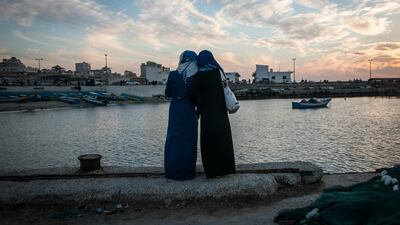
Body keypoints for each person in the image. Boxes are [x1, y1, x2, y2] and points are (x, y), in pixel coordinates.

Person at [189, 50, 236, 178]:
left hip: (207, 114)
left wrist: (199, 107)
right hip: (220, 112)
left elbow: (193, 94)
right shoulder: (218, 72)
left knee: (208, 142)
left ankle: (212, 171)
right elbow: (225, 88)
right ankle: (227, 168)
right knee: (223, 139)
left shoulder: (198, 76)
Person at [164, 50, 199, 180]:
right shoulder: (196, 75)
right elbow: (197, 96)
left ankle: (172, 172)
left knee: (174, 139)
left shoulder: (173, 75)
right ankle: (187, 172)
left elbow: (168, 93)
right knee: (188, 140)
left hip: (175, 109)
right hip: (189, 109)